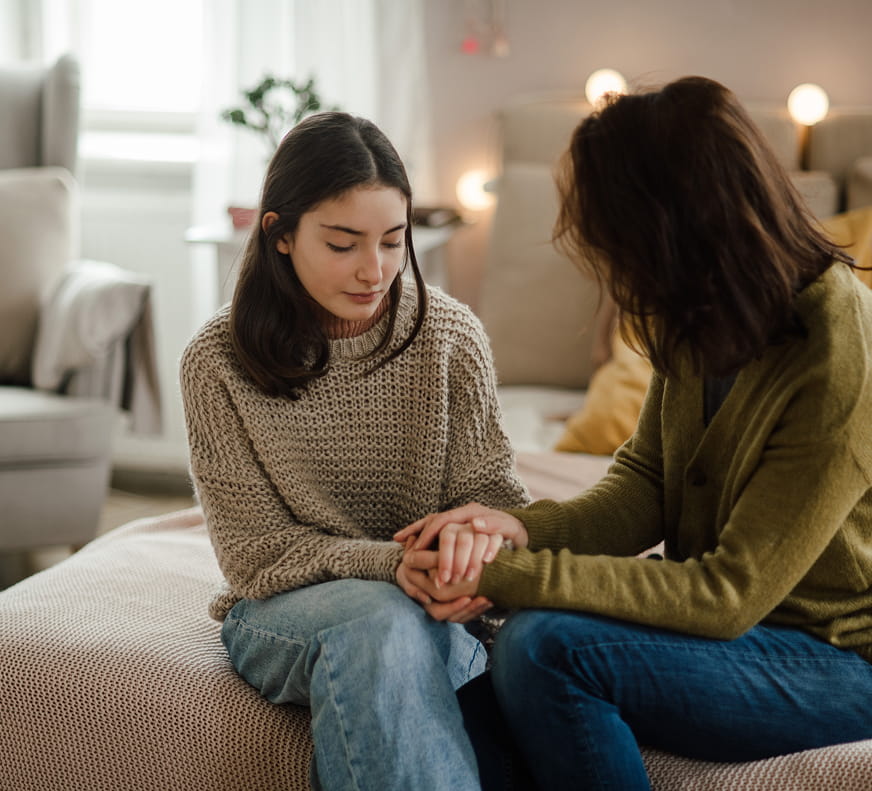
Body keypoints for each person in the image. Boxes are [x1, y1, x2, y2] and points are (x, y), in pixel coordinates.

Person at [395, 76, 872, 790]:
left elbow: (725, 593)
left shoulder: (839, 350)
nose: (615, 273)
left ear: (672, 229)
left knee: (544, 648)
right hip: (731, 631)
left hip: (831, 658)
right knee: (458, 714)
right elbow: (644, 487)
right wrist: (513, 530)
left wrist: (501, 576)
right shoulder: (697, 311)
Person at [179, 111, 529, 791]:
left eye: (394, 242)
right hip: (282, 608)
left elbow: (497, 503)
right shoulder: (216, 360)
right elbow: (255, 556)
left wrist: (467, 546)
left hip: (430, 601)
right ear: (280, 234)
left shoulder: (450, 336)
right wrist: (393, 563)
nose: (374, 271)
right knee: (380, 622)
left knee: (403, 628)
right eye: (343, 244)